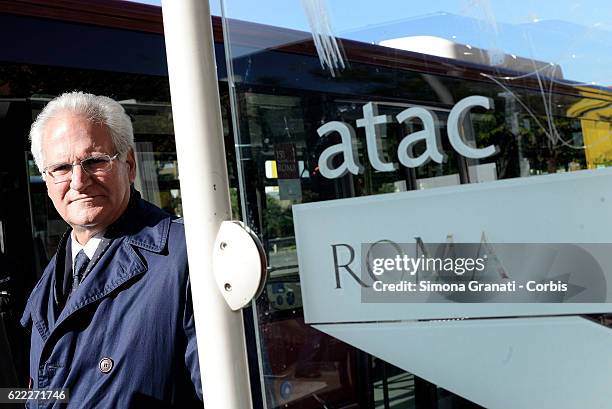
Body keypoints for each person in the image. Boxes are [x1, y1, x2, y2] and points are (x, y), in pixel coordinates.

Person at [20, 91, 202, 408]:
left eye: (94, 161)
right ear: (47, 182)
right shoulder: (51, 277)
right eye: (61, 168)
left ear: (129, 165)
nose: (78, 181)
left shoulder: (185, 257)